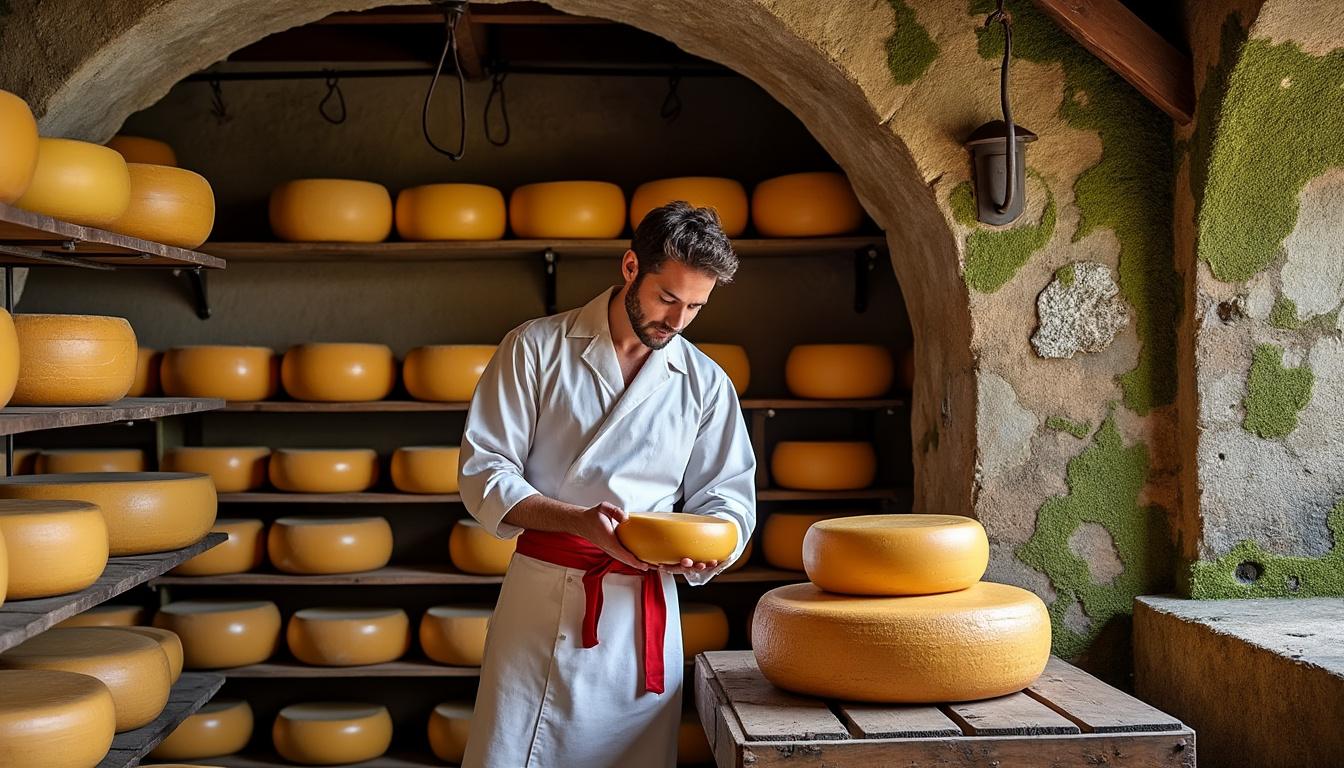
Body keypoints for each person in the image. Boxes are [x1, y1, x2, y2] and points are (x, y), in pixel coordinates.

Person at [458, 200, 756, 767]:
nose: (678, 321)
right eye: (667, 298)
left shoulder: (706, 382)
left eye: (696, 306)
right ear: (629, 268)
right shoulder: (535, 348)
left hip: (641, 614)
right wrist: (577, 522)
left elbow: (729, 499)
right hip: (544, 600)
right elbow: (484, 470)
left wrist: (709, 553)